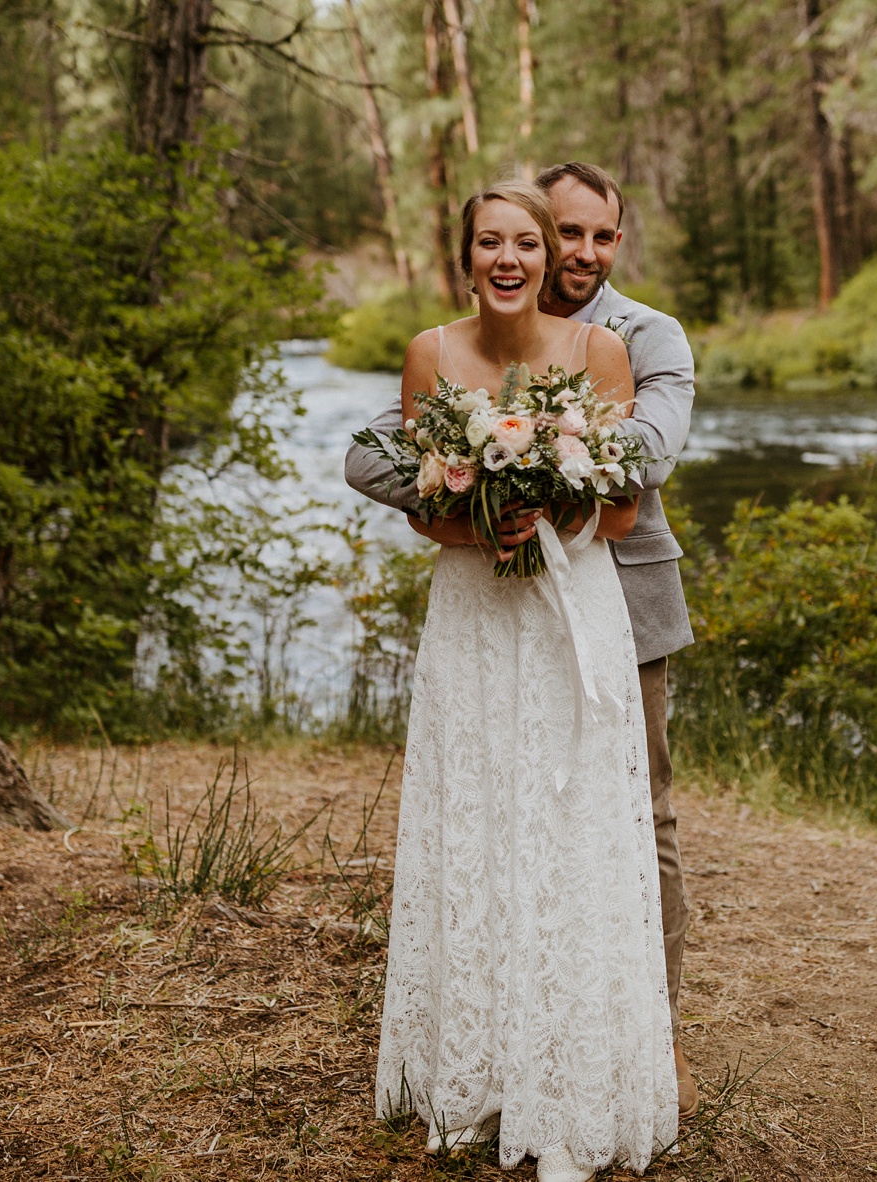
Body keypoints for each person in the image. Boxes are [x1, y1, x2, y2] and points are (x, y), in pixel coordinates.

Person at [344, 161, 698, 1104]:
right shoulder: (440, 349)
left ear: (607, 245)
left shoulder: (639, 338)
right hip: (481, 601)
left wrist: (551, 483)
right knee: (485, 814)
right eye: (557, 231)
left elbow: (644, 463)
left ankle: (643, 1044)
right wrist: (470, 500)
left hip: (614, 601)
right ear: (472, 254)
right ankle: (486, 1046)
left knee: (627, 818)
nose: (572, 251)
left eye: (591, 237)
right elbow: (385, 459)